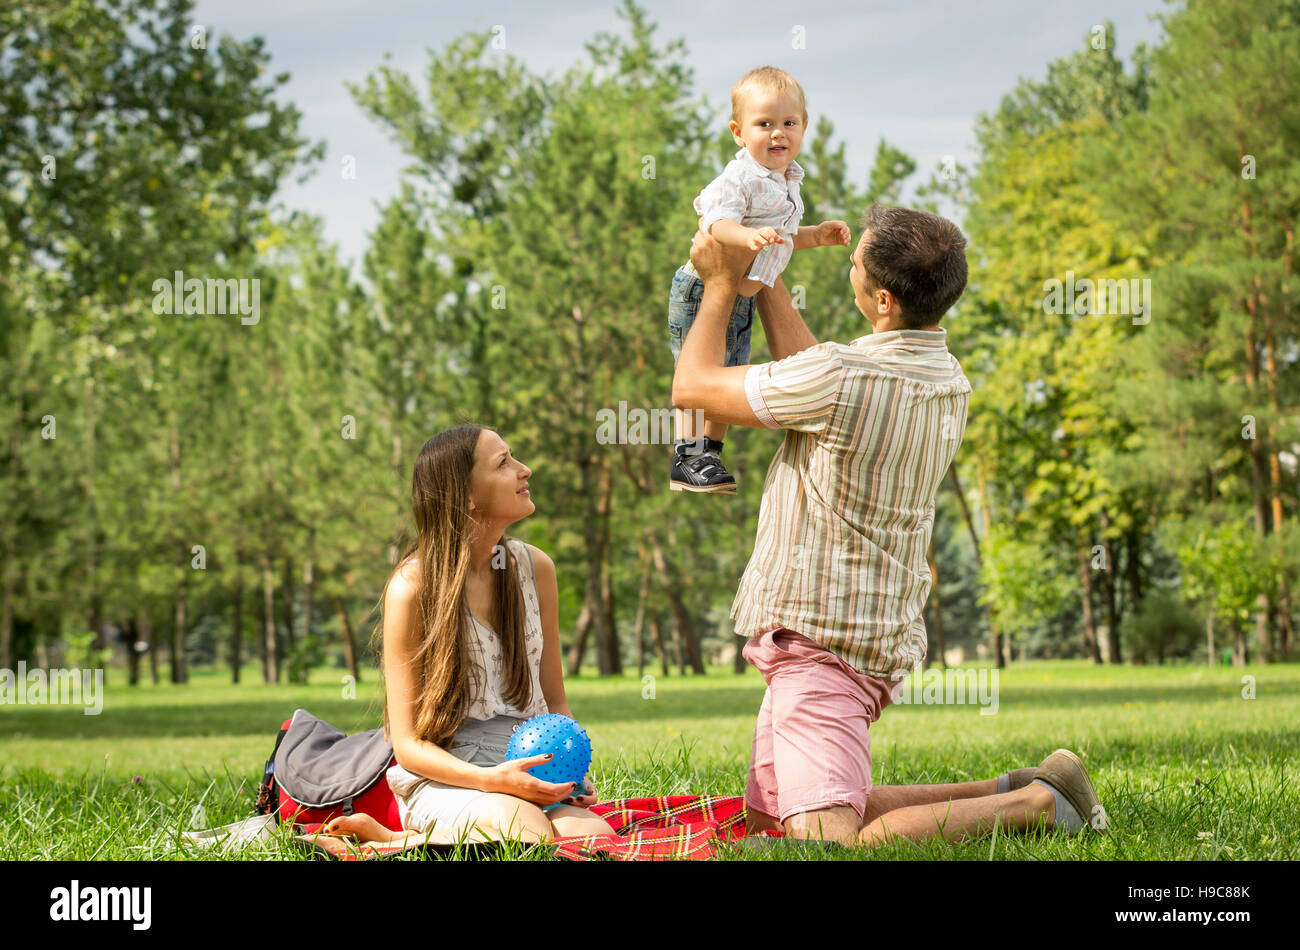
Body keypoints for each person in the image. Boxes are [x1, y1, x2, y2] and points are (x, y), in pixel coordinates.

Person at [671, 202, 1106, 847]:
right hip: (865, 632)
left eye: (853, 261)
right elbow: (816, 380)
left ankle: (1036, 810)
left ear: (881, 299)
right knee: (773, 822)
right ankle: (1016, 789)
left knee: (825, 838)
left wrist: (721, 284)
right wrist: (771, 283)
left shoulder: (842, 377)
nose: (845, 265)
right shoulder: (946, 379)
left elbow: (695, 387)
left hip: (819, 639)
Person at [321, 425, 615, 846]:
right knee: (525, 834)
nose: (524, 470)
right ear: (466, 495)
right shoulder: (412, 587)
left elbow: (554, 699)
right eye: (503, 463)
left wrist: (570, 772)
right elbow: (407, 745)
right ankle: (392, 841)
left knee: (593, 841)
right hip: (449, 775)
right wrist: (492, 780)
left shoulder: (536, 569)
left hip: (527, 769)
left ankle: (393, 842)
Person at [668, 65, 849, 494]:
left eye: (788, 123)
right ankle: (687, 453)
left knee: (731, 370)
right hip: (704, 287)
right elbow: (716, 223)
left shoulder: (789, 181)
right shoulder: (741, 178)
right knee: (699, 369)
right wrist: (745, 236)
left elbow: (781, 239)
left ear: (804, 128)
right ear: (738, 132)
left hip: (740, 295)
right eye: (763, 124)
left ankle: (709, 451)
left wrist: (815, 236)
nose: (777, 134)